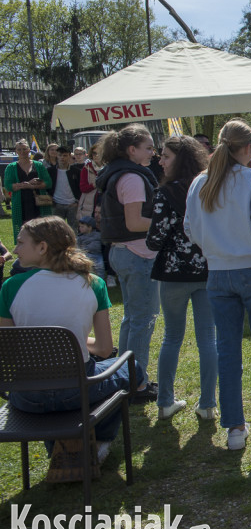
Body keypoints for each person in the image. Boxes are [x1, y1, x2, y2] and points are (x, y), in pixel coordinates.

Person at [184, 118, 251, 450]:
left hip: (218, 271)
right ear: (248, 147)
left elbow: (191, 229)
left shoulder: (199, 183)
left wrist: (217, 246)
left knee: (227, 350)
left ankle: (234, 429)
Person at [2, 216, 138, 466]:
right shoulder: (93, 283)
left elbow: (8, 352)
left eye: (20, 243)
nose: (14, 249)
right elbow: (105, 349)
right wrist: (73, 339)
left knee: (49, 382)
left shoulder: (10, 287)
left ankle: (59, 447)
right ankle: (101, 441)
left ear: (42, 247)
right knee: (132, 368)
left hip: (27, 398)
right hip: (77, 391)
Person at [146, 136, 218, 421]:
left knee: (172, 337)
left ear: (180, 158)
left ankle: (164, 401)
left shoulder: (166, 193)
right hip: (207, 271)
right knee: (207, 339)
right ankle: (208, 404)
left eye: (165, 156)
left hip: (174, 275)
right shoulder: (209, 187)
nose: (160, 161)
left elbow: (154, 240)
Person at [96, 124, 160, 401]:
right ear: (132, 150)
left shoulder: (116, 173)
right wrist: (168, 224)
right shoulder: (132, 177)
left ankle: (121, 377)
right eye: (148, 147)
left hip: (123, 252)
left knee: (132, 319)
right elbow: (135, 222)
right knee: (142, 321)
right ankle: (136, 383)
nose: (153, 152)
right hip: (137, 254)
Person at [4, 139, 54, 242]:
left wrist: (32, 186)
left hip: (38, 203)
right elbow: (8, 186)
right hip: (21, 203)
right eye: (19, 149)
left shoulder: (39, 165)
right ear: (16, 151)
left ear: (29, 150)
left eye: (24, 149)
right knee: (24, 230)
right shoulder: (11, 167)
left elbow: (48, 183)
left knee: (41, 229)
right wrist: (24, 185)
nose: (22, 152)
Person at [49, 146, 81, 227]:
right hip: (57, 204)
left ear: (69, 156)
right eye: (60, 155)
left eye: (65, 155)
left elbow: (80, 187)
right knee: (57, 229)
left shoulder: (76, 171)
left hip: (72, 205)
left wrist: (77, 201)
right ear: (57, 156)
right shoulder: (50, 171)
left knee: (74, 230)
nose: (62, 158)